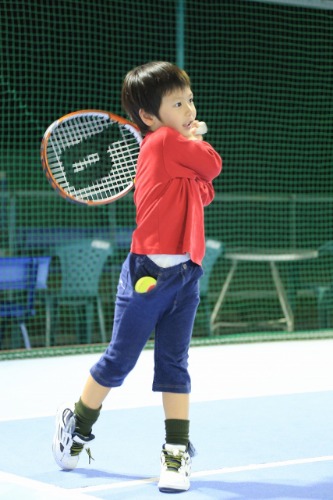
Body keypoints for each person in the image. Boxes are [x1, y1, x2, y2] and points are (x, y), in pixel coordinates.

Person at [52, 61, 222, 493]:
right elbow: (212, 166)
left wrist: (194, 154)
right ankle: (79, 425)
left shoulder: (174, 145)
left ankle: (176, 452)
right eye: (177, 103)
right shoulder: (164, 141)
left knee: (173, 364)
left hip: (185, 274)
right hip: (147, 274)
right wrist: (194, 139)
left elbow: (205, 189)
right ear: (149, 117)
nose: (188, 109)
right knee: (119, 361)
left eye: (189, 100)